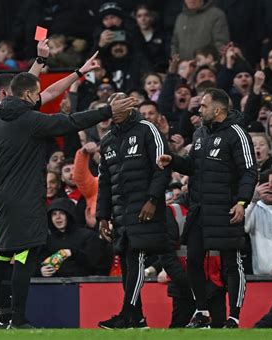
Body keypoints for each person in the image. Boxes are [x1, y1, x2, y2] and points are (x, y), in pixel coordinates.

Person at [0, 68, 137, 329]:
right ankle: (17, 319)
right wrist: (107, 111)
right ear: (27, 94)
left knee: (1, 256)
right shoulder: (30, 120)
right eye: (36, 93)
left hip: (1, 203)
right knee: (25, 258)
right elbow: (69, 123)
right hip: (25, 202)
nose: (39, 97)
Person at [158, 88, 257, 328]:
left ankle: (233, 317)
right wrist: (174, 160)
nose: (199, 110)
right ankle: (201, 311)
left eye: (203, 106)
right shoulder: (200, 133)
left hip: (226, 209)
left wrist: (242, 202)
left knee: (231, 265)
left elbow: (249, 171)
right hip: (200, 210)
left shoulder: (237, 133)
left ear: (218, 109)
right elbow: (193, 166)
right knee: (193, 261)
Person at [97, 93, 171, 329]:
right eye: (111, 106)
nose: (113, 110)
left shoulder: (147, 129)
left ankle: (126, 314)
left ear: (130, 106)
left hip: (144, 209)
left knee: (136, 258)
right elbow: (104, 182)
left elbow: (163, 168)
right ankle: (137, 318)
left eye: (118, 105)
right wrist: (102, 216)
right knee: (127, 265)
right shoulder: (107, 140)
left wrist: (152, 200)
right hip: (120, 214)